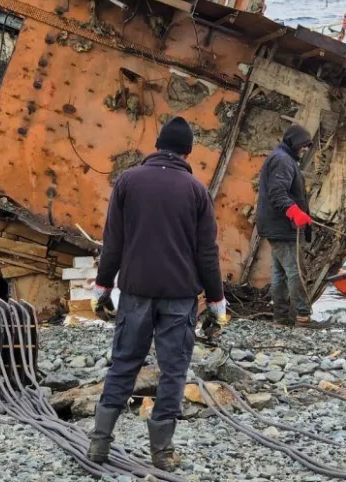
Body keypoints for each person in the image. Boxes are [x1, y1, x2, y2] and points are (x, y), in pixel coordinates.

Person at [87, 117, 227, 472]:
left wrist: (102, 287)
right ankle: (162, 452)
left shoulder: (128, 182)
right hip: (179, 298)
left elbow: (113, 241)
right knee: (173, 369)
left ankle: (98, 445)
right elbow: (207, 253)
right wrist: (216, 300)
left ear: (157, 145)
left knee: (124, 364)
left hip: (135, 292)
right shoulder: (197, 191)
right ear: (187, 151)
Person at [255, 125, 315, 325]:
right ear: (295, 143)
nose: (305, 150)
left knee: (280, 273)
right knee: (296, 271)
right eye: (304, 146)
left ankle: (281, 317)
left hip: (276, 225)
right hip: (282, 226)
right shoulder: (282, 160)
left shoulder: (283, 158)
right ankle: (302, 316)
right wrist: (294, 211)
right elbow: (277, 192)